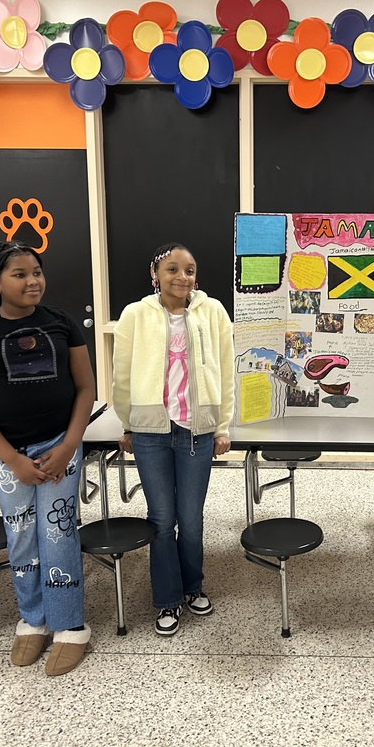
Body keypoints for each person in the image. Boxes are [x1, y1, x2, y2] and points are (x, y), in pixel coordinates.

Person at [0, 241, 95, 675]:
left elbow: (85, 388)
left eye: (36, 271)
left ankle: (70, 625)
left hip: (59, 446)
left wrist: (68, 445)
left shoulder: (61, 323)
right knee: (22, 536)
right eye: (20, 274)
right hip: (6, 455)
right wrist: (12, 458)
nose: (33, 280)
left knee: (57, 534)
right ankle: (33, 620)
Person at [112, 242, 234, 636]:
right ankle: (167, 599)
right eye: (172, 269)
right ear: (156, 275)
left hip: (196, 430)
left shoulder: (212, 312)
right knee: (162, 520)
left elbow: (226, 372)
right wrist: (128, 423)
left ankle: (192, 585)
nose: (182, 277)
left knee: (192, 519)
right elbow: (123, 373)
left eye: (190, 270)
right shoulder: (136, 314)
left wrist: (223, 426)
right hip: (151, 432)